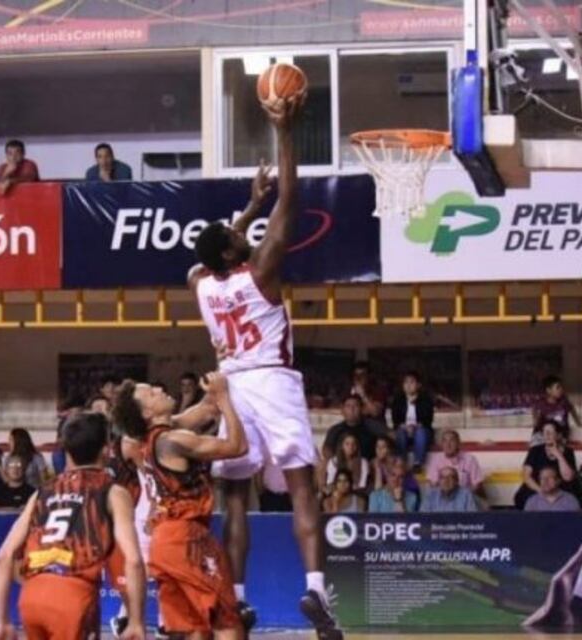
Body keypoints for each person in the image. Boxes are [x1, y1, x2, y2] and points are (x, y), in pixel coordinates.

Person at [188, 95, 341, 638]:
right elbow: (294, 198)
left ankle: (238, 599)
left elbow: (206, 256)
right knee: (302, 487)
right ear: (233, 254)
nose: (243, 233)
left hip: (232, 388)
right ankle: (316, 588)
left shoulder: (201, 286)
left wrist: (247, 211)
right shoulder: (261, 273)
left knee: (236, 497)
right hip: (273, 381)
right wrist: (285, 129)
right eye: (236, 235)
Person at [113, 373, 245, 639]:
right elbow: (237, 446)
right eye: (151, 392)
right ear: (148, 412)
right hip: (186, 535)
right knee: (227, 621)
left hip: (163, 542)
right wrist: (224, 398)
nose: (160, 389)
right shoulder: (174, 440)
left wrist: (224, 371)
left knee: (194, 628)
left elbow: (206, 409)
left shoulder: (150, 437)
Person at [0, 412, 146, 640]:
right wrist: (135, 620)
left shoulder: (42, 491)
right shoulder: (113, 491)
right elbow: (133, 560)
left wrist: (2, 621)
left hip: (32, 596)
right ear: (106, 449)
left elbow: (4, 555)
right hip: (73, 596)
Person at [514, 420, 580, 510]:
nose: (547, 435)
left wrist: (558, 455)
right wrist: (541, 491)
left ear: (558, 435)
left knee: (572, 497)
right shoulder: (535, 450)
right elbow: (526, 476)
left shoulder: (568, 451)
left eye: (551, 432)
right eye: (545, 432)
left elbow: (568, 477)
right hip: (537, 486)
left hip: (559, 488)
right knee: (521, 496)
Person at [390, 371, 434, 470]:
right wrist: (404, 426)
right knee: (400, 433)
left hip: (421, 428)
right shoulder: (398, 400)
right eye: (406, 382)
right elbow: (395, 419)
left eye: (412, 382)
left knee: (420, 433)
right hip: (404, 429)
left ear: (418, 385)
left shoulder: (425, 399)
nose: (408, 385)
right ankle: (402, 462)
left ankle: (418, 463)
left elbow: (428, 419)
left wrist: (416, 426)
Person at [322, 394, 386, 461]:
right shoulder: (335, 429)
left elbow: (389, 437)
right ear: (342, 410)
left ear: (361, 409)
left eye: (355, 406)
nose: (352, 409)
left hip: (368, 464)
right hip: (341, 465)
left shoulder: (372, 426)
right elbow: (326, 449)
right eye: (348, 406)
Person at [425, 429, 485, 496]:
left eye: (452, 440)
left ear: (458, 443)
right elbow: (433, 484)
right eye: (445, 441)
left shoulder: (470, 459)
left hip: (465, 498)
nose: (448, 444)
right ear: (442, 444)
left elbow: (477, 485)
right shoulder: (436, 459)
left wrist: (463, 497)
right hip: (443, 499)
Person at [531, 375, 581, 443]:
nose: (561, 390)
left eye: (561, 387)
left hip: (560, 436)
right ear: (548, 390)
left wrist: (578, 423)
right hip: (544, 437)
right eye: (558, 387)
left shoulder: (564, 402)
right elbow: (534, 410)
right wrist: (535, 421)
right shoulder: (541, 403)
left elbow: (572, 410)